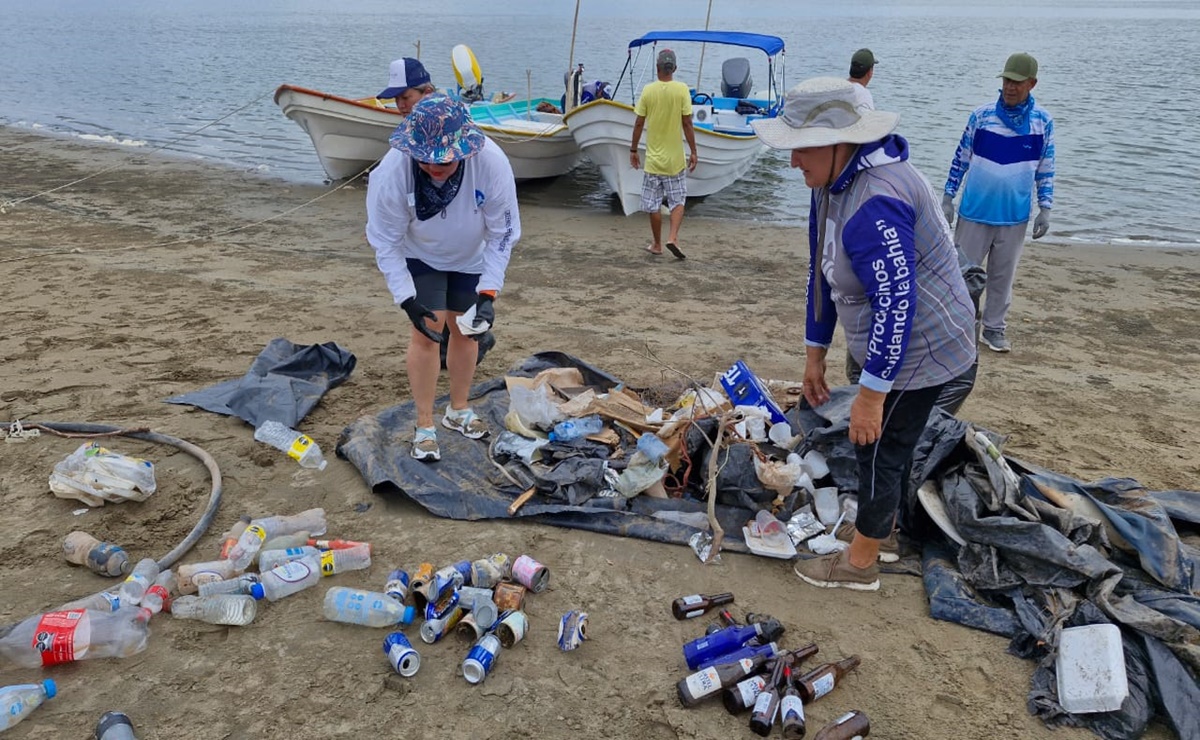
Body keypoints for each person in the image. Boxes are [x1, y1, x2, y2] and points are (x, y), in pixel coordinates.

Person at [751, 77, 976, 591]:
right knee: (880, 444)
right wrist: (814, 356)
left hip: (926, 347)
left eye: (801, 150)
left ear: (840, 143)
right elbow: (821, 269)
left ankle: (862, 562)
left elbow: (898, 306)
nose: (792, 163)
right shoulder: (832, 184)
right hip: (888, 338)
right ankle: (881, 528)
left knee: (878, 444)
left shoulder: (876, 200)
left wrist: (872, 396)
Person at [365, 94, 520, 462]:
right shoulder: (391, 172)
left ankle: (459, 409)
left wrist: (488, 292)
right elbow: (384, 241)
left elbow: (502, 233)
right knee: (427, 333)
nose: (435, 167)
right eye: (426, 159)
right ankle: (424, 423)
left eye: (445, 160)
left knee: (467, 331)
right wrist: (405, 297)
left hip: (471, 258)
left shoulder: (492, 164)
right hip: (420, 255)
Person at [942, 52, 1055, 354]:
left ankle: (993, 329)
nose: (1010, 87)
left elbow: (1045, 168)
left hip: (1014, 216)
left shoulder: (1042, 122)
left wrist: (1045, 208)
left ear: (1032, 83)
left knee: (1002, 278)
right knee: (961, 274)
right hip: (975, 212)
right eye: (1006, 80)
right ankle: (956, 326)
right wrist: (948, 197)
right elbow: (961, 158)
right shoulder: (981, 117)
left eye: (1017, 82)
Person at [630, 48, 698, 259]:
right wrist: (694, 151)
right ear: (674, 68)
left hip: (653, 161)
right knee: (678, 200)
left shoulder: (648, 91)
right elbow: (687, 123)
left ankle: (657, 244)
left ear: (657, 67)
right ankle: (673, 237)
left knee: (653, 204)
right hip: (675, 160)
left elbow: (639, 123)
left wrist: (633, 150)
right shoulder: (682, 90)